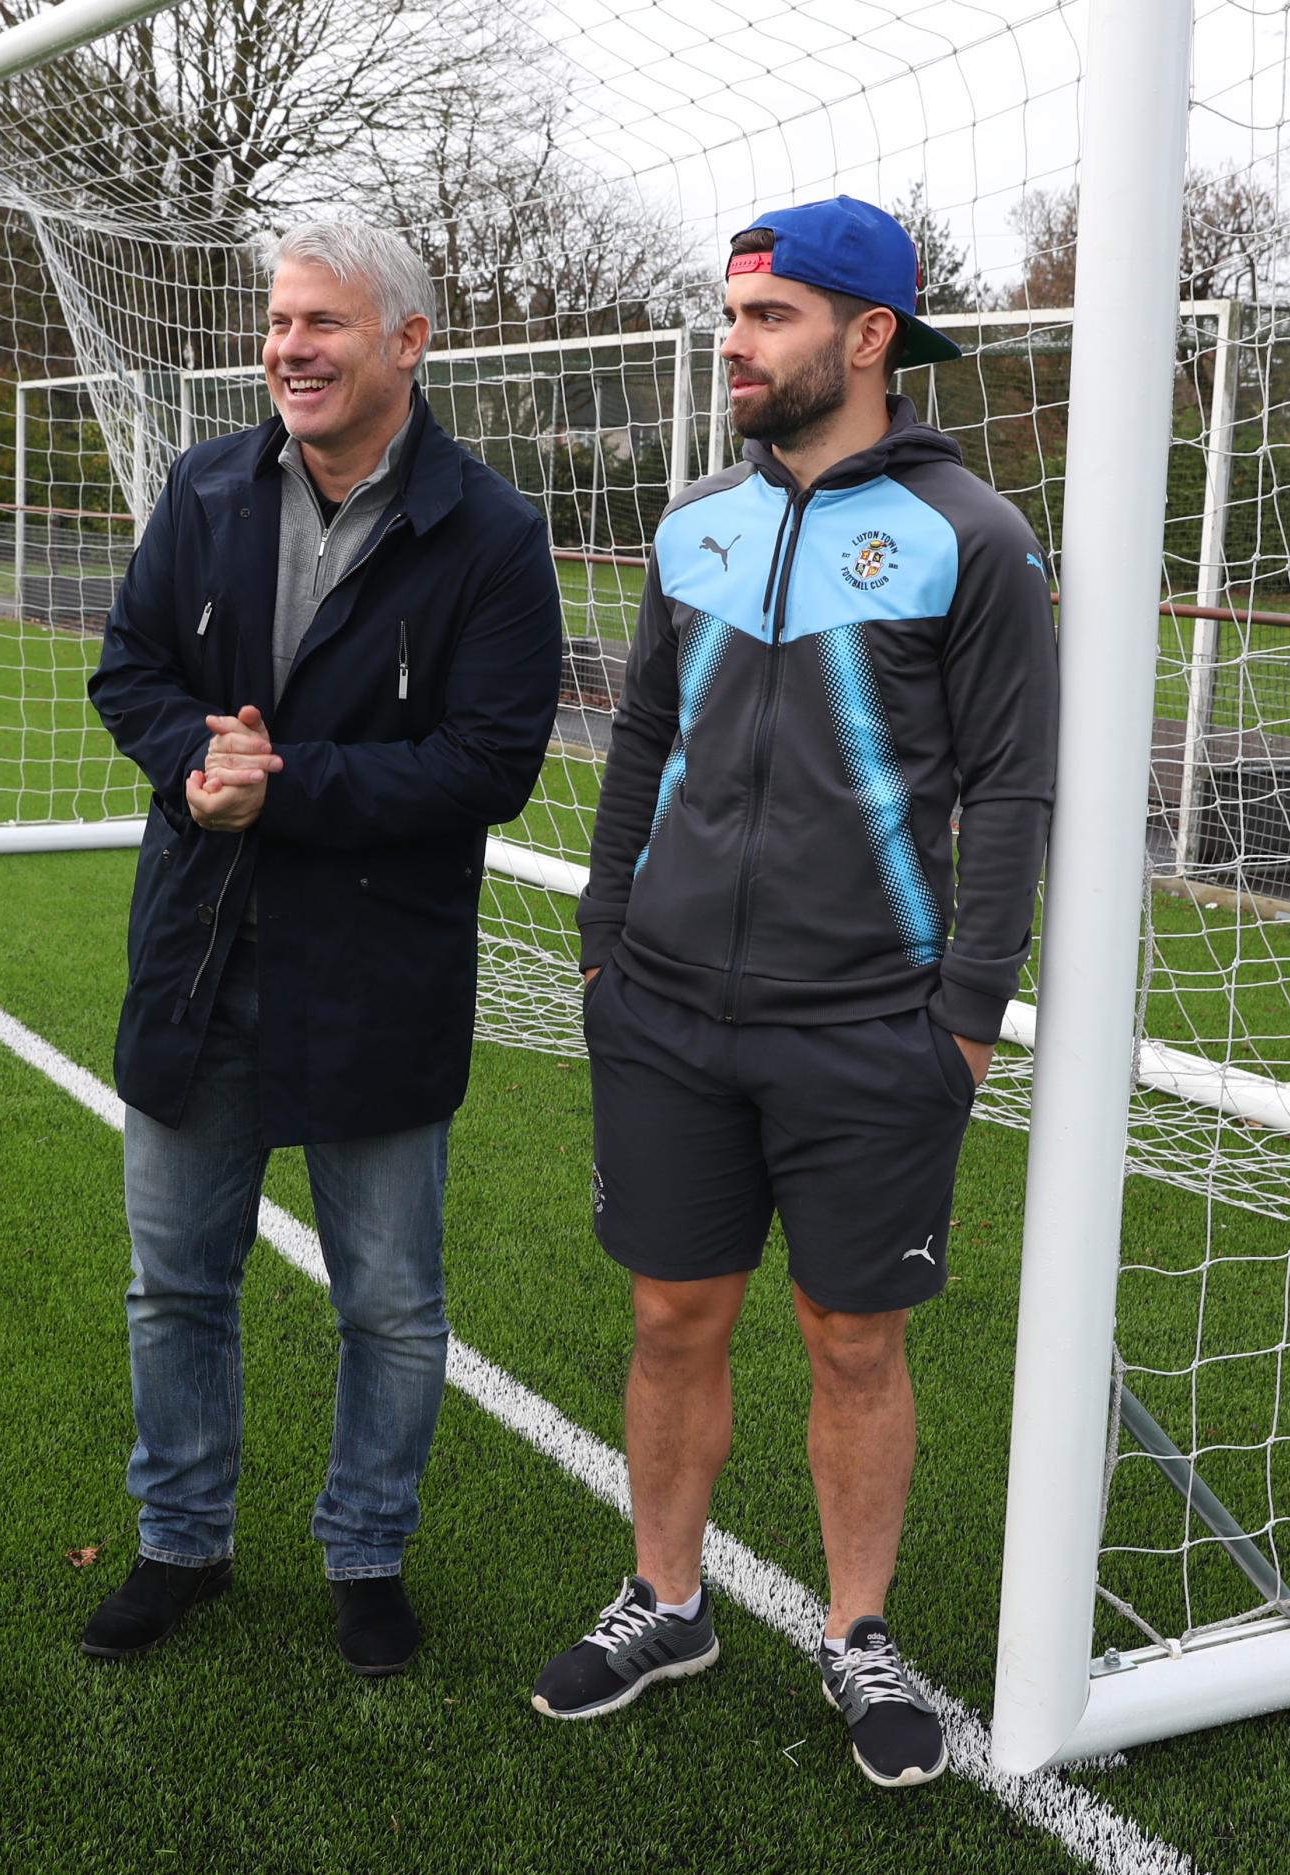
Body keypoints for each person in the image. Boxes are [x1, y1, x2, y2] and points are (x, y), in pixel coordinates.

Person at [530, 197, 1058, 1789]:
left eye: (768, 318)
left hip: (869, 1025)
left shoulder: (976, 534)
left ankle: (858, 1632)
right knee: (672, 1312)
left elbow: (1016, 792)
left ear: (870, 337)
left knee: (852, 1341)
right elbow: (636, 742)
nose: (735, 343)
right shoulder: (696, 522)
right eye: (733, 313)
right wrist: (605, 944)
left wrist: (965, 1017)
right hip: (668, 1008)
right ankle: (665, 1599)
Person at [82, 218, 564, 1677]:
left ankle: (367, 1552)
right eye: (281, 322)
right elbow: (133, 671)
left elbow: (491, 764)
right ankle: (182, 1539)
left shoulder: (489, 531)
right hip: (200, 958)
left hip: (376, 978)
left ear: (407, 342)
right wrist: (189, 768)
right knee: (176, 1284)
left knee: (393, 1305)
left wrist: (282, 783)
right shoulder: (206, 485)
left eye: (324, 325)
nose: (289, 347)